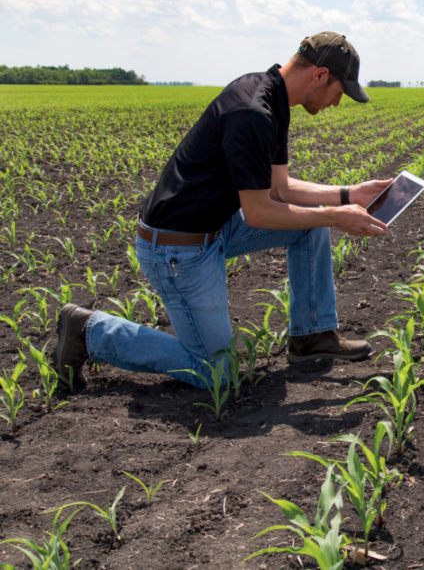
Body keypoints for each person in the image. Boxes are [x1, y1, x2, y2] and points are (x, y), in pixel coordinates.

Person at [53, 32, 391, 390]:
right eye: (340, 92)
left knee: (310, 227)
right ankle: (90, 331)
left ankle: (312, 336)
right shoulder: (252, 112)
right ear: (320, 75)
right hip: (177, 249)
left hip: (214, 227)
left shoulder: (272, 97)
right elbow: (259, 213)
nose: (337, 103)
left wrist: (349, 194)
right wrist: (336, 216)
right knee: (216, 372)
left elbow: (280, 188)